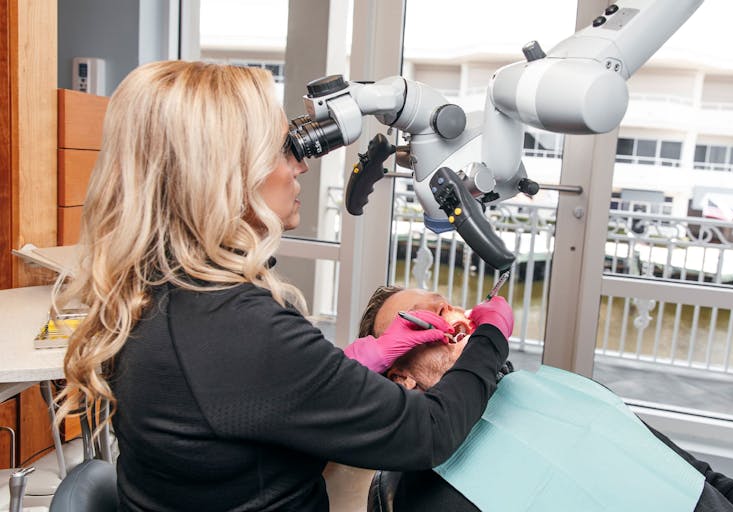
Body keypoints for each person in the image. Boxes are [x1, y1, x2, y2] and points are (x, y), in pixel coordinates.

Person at [52, 61, 514, 512]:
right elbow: (427, 433)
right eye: (281, 150)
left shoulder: (160, 289)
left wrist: (358, 360)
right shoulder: (235, 326)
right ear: (225, 175)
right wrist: (490, 335)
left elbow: (251, 394)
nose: (301, 167)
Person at [359, 286, 733, 512]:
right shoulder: (414, 494)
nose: (443, 306)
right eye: (420, 314)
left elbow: (700, 474)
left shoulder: (566, 392)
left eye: (445, 303)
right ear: (400, 374)